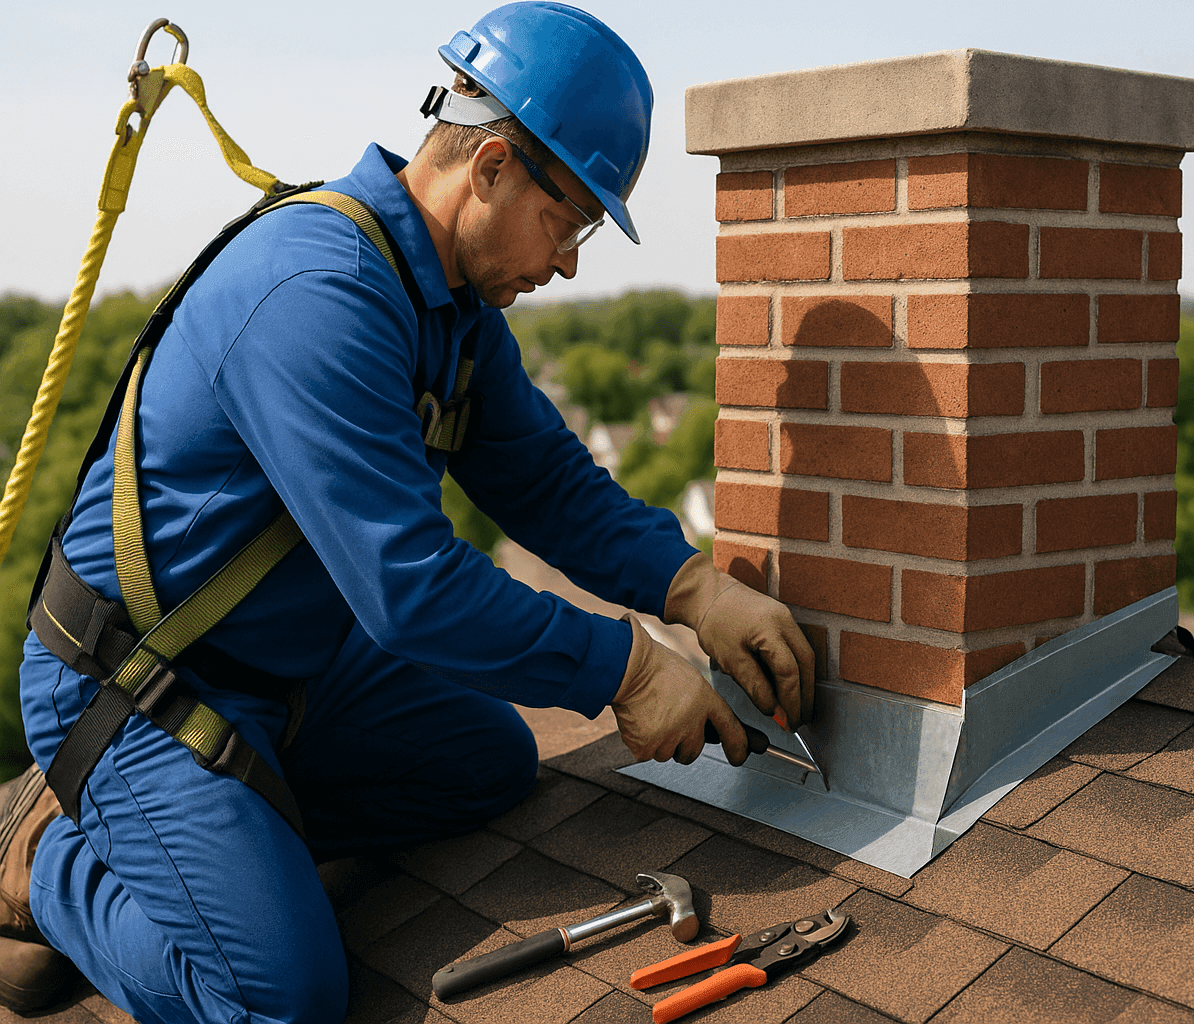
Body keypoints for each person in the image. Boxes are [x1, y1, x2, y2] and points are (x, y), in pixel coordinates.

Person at [0, 4, 814, 1020]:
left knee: (488, 764)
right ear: (493, 168)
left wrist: (691, 587)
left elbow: (547, 484)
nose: (568, 263)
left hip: (292, 673)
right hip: (138, 685)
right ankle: (49, 863)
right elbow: (410, 589)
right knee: (282, 1000)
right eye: (571, 222)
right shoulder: (317, 293)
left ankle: (215, 841)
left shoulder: (452, 311)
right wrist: (627, 665)